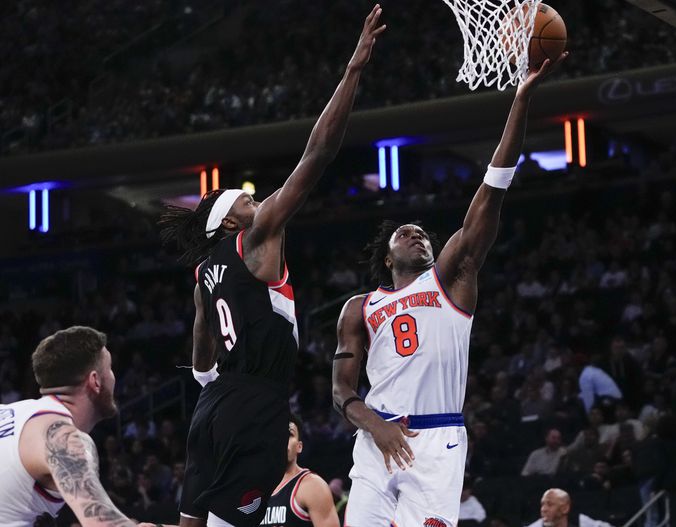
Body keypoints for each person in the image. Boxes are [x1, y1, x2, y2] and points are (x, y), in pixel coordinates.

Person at [158, 7, 386, 527]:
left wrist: (206, 376)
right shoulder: (255, 238)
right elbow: (317, 155)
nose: (254, 203)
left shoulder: (202, 274)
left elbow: (201, 338)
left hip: (212, 406)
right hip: (255, 402)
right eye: (244, 201)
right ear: (230, 223)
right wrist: (353, 70)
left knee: (194, 522)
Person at [332, 52, 567, 526]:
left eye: (423, 232)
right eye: (405, 232)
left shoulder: (451, 281)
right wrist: (375, 427)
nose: (416, 233)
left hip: (437, 441)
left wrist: (522, 97)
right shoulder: (360, 308)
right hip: (377, 436)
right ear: (386, 256)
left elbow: (492, 189)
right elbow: (340, 390)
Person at [0, 326, 159, 527]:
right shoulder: (62, 437)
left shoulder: (9, 412)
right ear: (95, 381)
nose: (113, 377)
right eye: (109, 369)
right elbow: (102, 524)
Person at [261, 416, 338, 527]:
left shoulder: (312, 486)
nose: (282, 440)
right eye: (277, 433)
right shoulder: (255, 489)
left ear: (299, 446)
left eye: (289, 434)